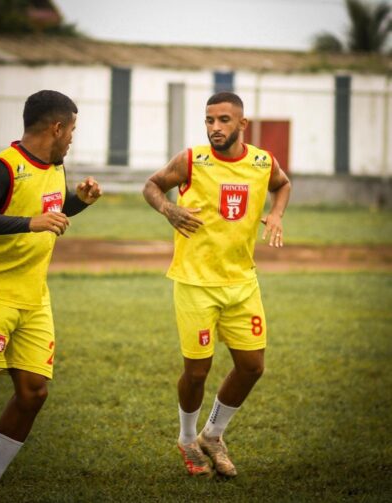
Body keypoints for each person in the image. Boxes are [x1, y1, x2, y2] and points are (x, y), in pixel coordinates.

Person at [143, 91, 291, 478]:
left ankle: (214, 434)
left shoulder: (262, 161)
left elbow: (283, 183)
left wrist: (276, 213)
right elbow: (152, 185)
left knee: (252, 366)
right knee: (196, 372)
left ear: (242, 124)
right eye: (209, 120)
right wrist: (169, 208)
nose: (214, 128)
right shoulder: (192, 159)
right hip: (195, 283)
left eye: (224, 120)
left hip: (242, 283)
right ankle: (188, 438)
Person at [0, 90, 102, 502]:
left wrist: (78, 203)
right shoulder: (3, 168)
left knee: (33, 391)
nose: (72, 138)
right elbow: (18, 218)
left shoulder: (57, 166)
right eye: (71, 129)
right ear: (56, 127)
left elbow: (49, 215)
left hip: (34, 300)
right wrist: (29, 223)